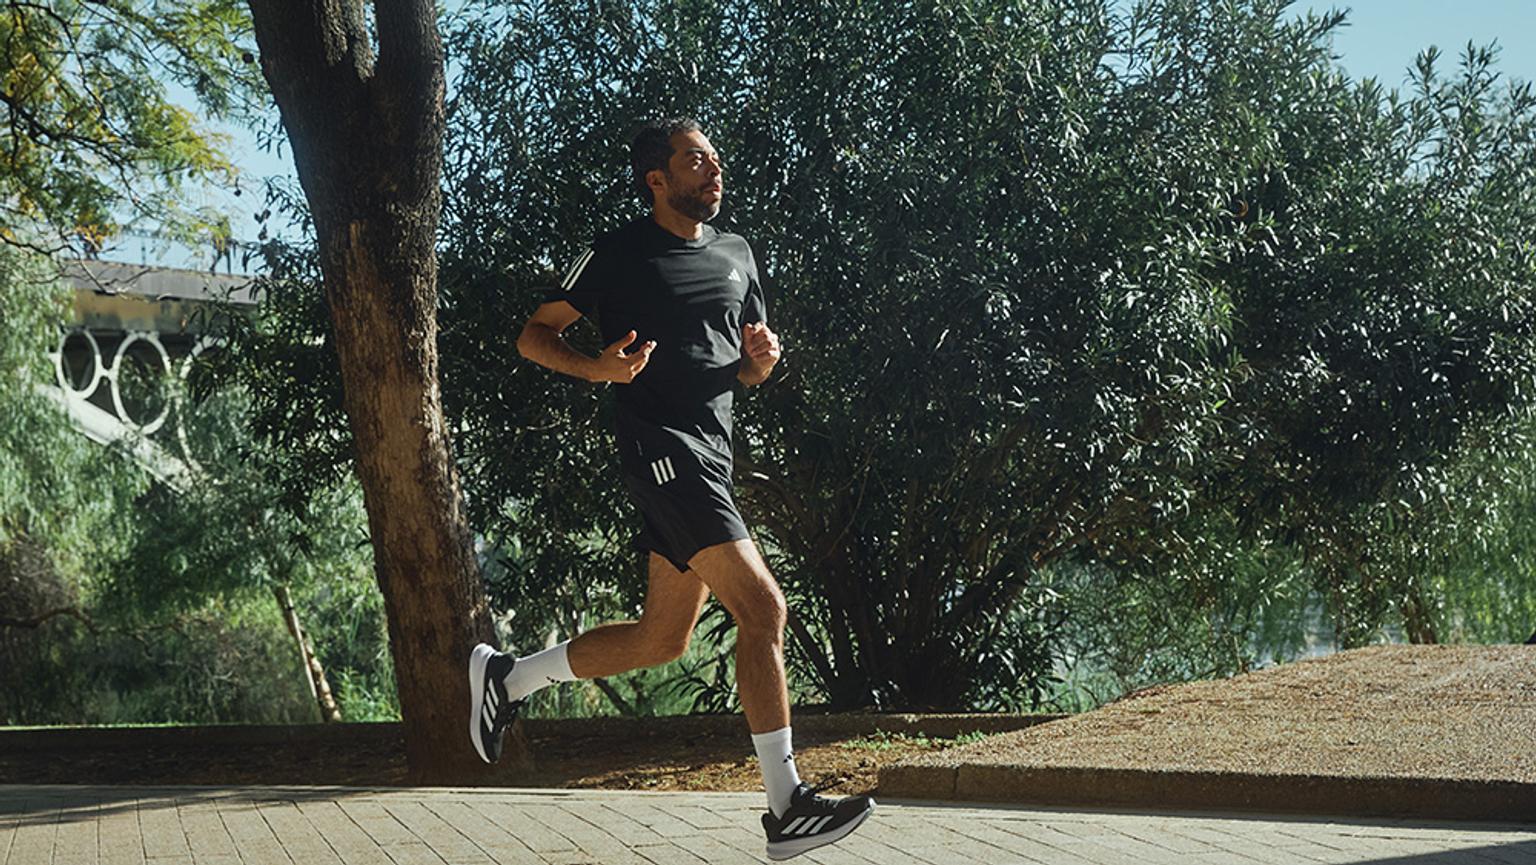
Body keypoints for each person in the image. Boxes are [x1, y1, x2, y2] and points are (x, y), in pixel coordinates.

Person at [467, 118, 874, 860]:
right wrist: (601, 368)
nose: (714, 170)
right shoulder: (620, 252)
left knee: (663, 638)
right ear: (658, 178)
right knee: (764, 607)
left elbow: (745, 366)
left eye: (716, 157)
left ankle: (507, 677)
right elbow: (535, 333)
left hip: (711, 455)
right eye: (697, 160)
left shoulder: (738, 253)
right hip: (662, 450)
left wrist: (762, 361)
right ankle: (787, 805)